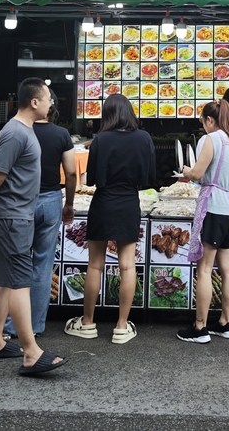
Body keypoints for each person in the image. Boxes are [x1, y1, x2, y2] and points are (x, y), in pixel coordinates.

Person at [0, 77, 67, 376]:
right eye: (48, 99)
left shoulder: (24, 130)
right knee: (19, 281)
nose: (51, 103)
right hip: (11, 216)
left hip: (15, 214)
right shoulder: (15, 132)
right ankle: (31, 352)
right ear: (34, 102)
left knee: (6, 280)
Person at [65, 94, 154, 345]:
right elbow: (148, 176)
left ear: (108, 114)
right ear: (129, 112)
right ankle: (122, 327)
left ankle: (88, 323)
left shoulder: (101, 140)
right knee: (127, 265)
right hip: (129, 203)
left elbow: (91, 178)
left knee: (95, 265)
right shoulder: (144, 138)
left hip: (103, 203)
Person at [4, 96, 77, 339]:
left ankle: (13, 327)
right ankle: (35, 326)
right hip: (50, 201)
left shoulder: (18, 131)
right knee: (43, 266)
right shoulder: (61, 134)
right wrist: (69, 204)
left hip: (21, 201)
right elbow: (70, 173)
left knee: (17, 263)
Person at [177, 99, 229, 344]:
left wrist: (186, 171)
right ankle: (225, 324)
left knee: (205, 268)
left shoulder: (211, 139)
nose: (202, 126)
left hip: (214, 208)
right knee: (228, 269)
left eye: (202, 121)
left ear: (209, 120)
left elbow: (197, 174)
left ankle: (200, 328)